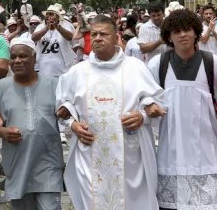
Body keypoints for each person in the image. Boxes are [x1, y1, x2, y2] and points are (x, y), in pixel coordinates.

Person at [55, 15, 166, 210]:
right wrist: (73, 125)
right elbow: (62, 107)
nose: (97, 38)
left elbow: (157, 102)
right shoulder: (77, 72)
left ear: (116, 38)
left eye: (103, 34)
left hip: (130, 158)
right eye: (94, 33)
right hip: (90, 155)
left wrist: (142, 115)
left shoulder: (135, 68)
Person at [148, 9, 217, 210]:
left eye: (187, 29)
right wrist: (149, 107)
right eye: (176, 31)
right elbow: (145, 101)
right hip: (172, 148)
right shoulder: (157, 64)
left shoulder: (212, 63)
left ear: (196, 32)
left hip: (208, 148)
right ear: (168, 36)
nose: (182, 35)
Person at [0, 37, 64, 210]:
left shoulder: (54, 84)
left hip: (48, 161)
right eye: (13, 57)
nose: (17, 61)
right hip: (17, 163)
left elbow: (68, 114)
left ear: (34, 58)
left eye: (23, 56)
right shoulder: (1, 87)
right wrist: (1, 131)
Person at [31, 4, 75, 77]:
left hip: (63, 69)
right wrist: (46, 28)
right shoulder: (41, 26)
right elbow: (33, 38)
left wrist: (57, 27)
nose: (49, 17)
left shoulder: (65, 24)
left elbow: (70, 37)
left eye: (52, 14)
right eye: (47, 14)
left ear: (57, 17)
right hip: (45, 69)